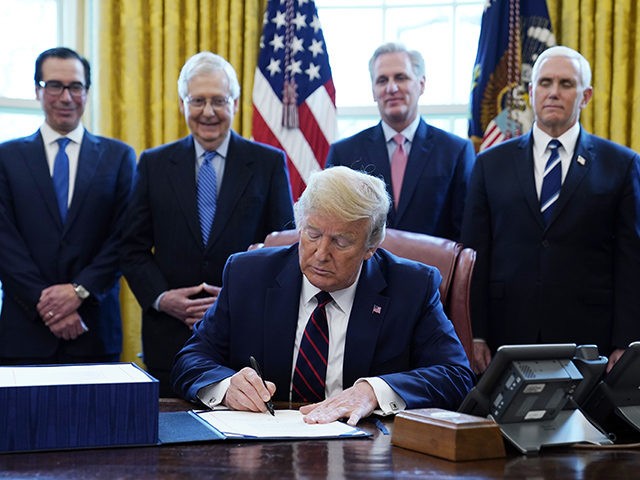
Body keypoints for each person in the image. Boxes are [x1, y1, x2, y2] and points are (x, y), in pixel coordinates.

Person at [171, 166, 474, 425]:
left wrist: (375, 391)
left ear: (371, 246)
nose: (321, 254)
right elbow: (191, 359)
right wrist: (226, 386)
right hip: (263, 448)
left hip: (367, 454)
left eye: (341, 242)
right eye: (312, 234)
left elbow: (456, 375)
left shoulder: (411, 287)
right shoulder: (247, 275)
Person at [121, 51, 294, 396]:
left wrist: (236, 294)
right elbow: (130, 246)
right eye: (197, 100)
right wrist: (161, 297)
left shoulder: (268, 163)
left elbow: (285, 248)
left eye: (219, 100)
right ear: (183, 103)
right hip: (169, 337)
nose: (208, 112)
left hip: (246, 336)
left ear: (235, 103)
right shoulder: (154, 164)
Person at [461, 46, 640, 374]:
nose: (554, 92)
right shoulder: (490, 164)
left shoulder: (622, 164)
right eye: (545, 83)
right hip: (506, 334)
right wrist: (475, 333)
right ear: (531, 92)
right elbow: (476, 255)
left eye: (566, 84)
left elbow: (631, 259)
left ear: (585, 96)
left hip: (589, 338)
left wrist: (625, 342)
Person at [0, 47, 136, 364]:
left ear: (86, 92)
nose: (66, 97)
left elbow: (124, 237)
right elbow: (4, 242)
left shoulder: (119, 157)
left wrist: (78, 292)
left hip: (94, 330)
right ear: (37, 90)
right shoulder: (6, 158)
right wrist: (46, 303)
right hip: (24, 332)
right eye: (54, 85)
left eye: (75, 86)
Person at [325, 42, 475, 241]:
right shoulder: (343, 153)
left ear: (421, 84)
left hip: (435, 269)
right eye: (382, 80)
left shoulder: (456, 152)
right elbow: (332, 225)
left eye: (401, 78)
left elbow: (465, 231)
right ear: (373, 91)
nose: (391, 88)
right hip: (366, 270)